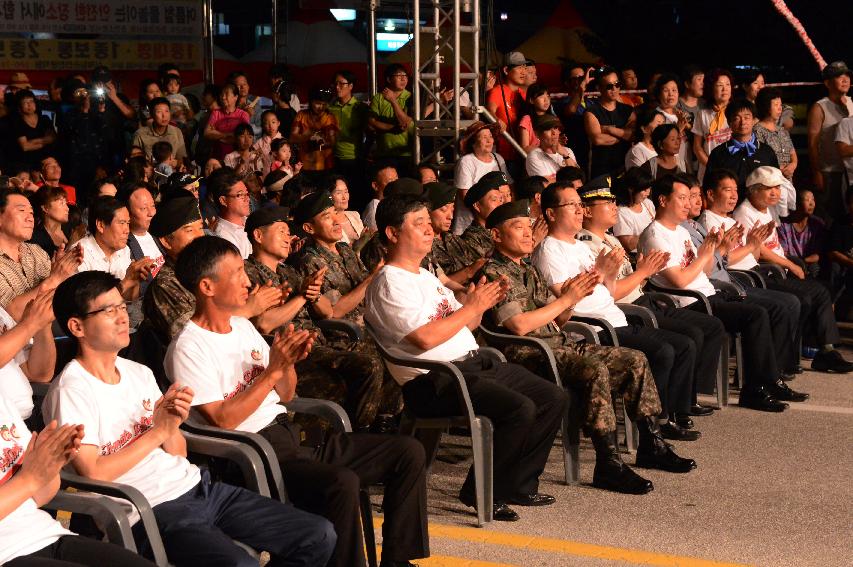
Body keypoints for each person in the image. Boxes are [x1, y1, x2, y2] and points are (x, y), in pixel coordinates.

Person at [163, 234, 427, 567]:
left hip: (292, 436)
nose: (247, 282)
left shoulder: (242, 327)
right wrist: (272, 372)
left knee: (407, 452)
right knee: (340, 483)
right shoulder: (189, 346)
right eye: (236, 275)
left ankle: (398, 560)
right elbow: (222, 420)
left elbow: (286, 395)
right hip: (252, 453)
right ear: (207, 287)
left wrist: (286, 365)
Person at [43, 270, 337, 567]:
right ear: (77, 326)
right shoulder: (71, 390)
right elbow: (93, 473)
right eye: (109, 310)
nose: (122, 317)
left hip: (199, 488)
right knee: (240, 564)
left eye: (122, 307)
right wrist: (157, 433)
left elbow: (179, 452)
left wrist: (170, 424)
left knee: (318, 534)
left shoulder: (139, 373)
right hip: (149, 511)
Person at [365, 194, 568, 522]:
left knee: (552, 397)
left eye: (429, 224)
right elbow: (424, 337)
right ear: (392, 233)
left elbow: (467, 322)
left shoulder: (425, 276)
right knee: (520, 408)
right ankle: (482, 492)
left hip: (469, 364)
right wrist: (472, 308)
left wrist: (479, 304)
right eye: (419, 224)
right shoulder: (390, 282)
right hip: (433, 380)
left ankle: (517, 483)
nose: (429, 231)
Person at [485, 199, 695, 493]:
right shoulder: (495, 273)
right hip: (529, 353)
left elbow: (558, 317)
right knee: (594, 369)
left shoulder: (528, 269)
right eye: (517, 227)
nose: (527, 234)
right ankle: (608, 463)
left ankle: (651, 443)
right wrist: (566, 300)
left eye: (528, 227)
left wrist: (574, 295)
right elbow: (519, 326)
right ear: (496, 235)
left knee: (635, 359)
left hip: (557, 343)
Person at [532, 179, 709, 436]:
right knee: (663, 351)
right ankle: (656, 426)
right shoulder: (550, 250)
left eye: (580, 205)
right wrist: (602, 274)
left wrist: (608, 275)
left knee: (684, 344)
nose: (579, 210)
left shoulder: (580, 246)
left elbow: (609, 293)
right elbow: (565, 300)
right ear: (550, 213)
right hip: (592, 327)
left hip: (615, 319)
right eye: (572, 205)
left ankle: (670, 414)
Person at [638, 174, 802, 411]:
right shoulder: (655, 234)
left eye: (689, 198)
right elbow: (681, 280)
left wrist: (714, 248)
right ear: (663, 201)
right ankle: (756, 388)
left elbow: (704, 269)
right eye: (682, 198)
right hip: (688, 302)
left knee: (765, 309)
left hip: (709, 292)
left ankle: (766, 382)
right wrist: (706, 254)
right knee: (755, 315)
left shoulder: (681, 231)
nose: (687, 203)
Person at [239, 207, 391, 433]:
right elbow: (265, 324)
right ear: (258, 236)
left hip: (317, 342)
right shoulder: (248, 274)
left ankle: (366, 429)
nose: (287, 238)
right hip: (289, 353)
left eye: (288, 232)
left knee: (383, 353)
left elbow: (328, 311)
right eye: (281, 231)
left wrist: (314, 292)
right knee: (366, 366)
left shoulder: (288, 271)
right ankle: (359, 434)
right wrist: (301, 297)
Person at [0, 395, 157, 566]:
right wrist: (29, 479)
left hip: (46, 535)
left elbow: (39, 497)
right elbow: (28, 482)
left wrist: (50, 465)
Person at [730, 167, 853, 373]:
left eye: (777, 188)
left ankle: (825, 351)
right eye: (769, 188)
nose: (775, 193)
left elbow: (774, 245)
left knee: (822, 291)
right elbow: (758, 251)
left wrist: (789, 262)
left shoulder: (768, 210)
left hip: (779, 267)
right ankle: (792, 352)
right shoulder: (744, 213)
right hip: (764, 272)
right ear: (753, 190)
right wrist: (789, 264)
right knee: (806, 297)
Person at [696, 169, 805, 378]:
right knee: (780, 305)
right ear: (710, 194)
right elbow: (723, 261)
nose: (734, 195)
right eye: (727, 190)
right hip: (734, 279)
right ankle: (770, 372)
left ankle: (777, 368)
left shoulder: (729, 220)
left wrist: (755, 243)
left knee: (791, 302)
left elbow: (752, 255)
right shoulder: (709, 221)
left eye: (735, 190)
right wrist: (748, 246)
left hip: (750, 273)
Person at [0, 188, 81, 321]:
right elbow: (11, 315)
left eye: (31, 212)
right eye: (21, 211)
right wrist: (55, 278)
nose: (30, 218)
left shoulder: (37, 252)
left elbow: (60, 300)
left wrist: (62, 272)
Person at [75, 196, 154, 305]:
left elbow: (129, 301)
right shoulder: (80, 255)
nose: (127, 230)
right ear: (101, 225)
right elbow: (92, 307)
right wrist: (126, 281)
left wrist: (135, 281)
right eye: (121, 223)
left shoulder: (124, 250)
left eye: (128, 223)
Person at [807, 61, 853, 221]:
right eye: (839, 77)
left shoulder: (852, 103)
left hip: (850, 172)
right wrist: (816, 172)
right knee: (830, 218)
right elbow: (812, 143)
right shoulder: (820, 107)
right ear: (827, 83)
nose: (845, 79)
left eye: (847, 76)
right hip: (829, 172)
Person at [706, 99, 778, 197]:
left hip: (761, 210)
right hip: (729, 210)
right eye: (737, 118)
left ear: (754, 121)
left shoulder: (767, 152)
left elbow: (776, 184)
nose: (742, 122)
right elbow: (709, 186)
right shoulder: (718, 153)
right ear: (729, 122)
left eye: (747, 117)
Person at [452, 121, 513, 235]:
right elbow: (466, 197)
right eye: (484, 137)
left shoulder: (498, 158)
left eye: (490, 136)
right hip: (468, 228)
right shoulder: (466, 162)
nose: (489, 141)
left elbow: (508, 187)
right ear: (473, 142)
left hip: (495, 226)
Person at [424, 181, 484, 285]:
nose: (450, 216)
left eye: (452, 210)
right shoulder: (423, 246)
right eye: (443, 210)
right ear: (427, 211)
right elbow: (435, 286)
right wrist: (468, 272)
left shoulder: (452, 238)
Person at [583, 66, 636, 178]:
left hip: (624, 167)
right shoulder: (591, 112)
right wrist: (623, 135)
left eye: (617, 84)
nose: (614, 89)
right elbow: (598, 139)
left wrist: (608, 129)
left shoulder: (627, 110)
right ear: (599, 88)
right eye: (609, 86)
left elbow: (634, 135)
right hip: (601, 170)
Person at [330, 70, 370, 210]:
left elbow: (370, 132)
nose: (337, 87)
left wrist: (364, 153)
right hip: (334, 158)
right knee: (337, 195)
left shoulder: (360, 107)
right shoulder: (330, 107)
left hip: (354, 158)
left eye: (341, 84)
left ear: (351, 86)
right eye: (335, 84)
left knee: (355, 196)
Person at [485, 52, 529, 166]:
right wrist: (497, 119)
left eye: (524, 67)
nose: (523, 72)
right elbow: (490, 111)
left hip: (523, 152)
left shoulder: (523, 94)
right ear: (506, 70)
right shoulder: (497, 91)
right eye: (519, 68)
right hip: (504, 156)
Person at [369, 65, 414, 171]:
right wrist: (393, 128)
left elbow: (406, 121)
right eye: (399, 76)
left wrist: (393, 101)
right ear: (389, 79)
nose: (403, 79)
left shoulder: (411, 97)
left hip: (406, 153)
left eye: (405, 75)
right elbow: (371, 122)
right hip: (384, 152)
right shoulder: (378, 98)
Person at [692, 68, 733, 182]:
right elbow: (697, 147)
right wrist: (711, 166)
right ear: (711, 89)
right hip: (709, 170)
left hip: (733, 169)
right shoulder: (702, 114)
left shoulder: (737, 112)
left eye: (728, 84)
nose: (724, 89)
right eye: (720, 85)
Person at [459, 171, 508, 261]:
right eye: (494, 199)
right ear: (477, 206)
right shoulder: (471, 239)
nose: (500, 203)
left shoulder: (503, 230)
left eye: (500, 199)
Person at [777, 190, 826, 278]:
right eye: (807, 200)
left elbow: (819, 253)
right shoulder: (784, 225)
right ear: (797, 204)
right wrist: (796, 264)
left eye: (813, 200)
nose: (811, 203)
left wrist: (804, 261)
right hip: (790, 264)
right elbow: (783, 253)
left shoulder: (817, 224)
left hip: (810, 263)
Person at [291, 89, 338, 173]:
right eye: (318, 103)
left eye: (324, 104)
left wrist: (322, 141)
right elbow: (292, 137)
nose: (321, 107)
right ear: (311, 102)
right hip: (304, 164)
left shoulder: (329, 117)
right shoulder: (301, 115)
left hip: (325, 164)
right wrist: (306, 137)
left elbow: (333, 141)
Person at [208, 168, 252, 259]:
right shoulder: (223, 236)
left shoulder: (251, 221)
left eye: (247, 194)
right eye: (240, 195)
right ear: (223, 200)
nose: (247, 199)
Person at [130, 98, 187, 166]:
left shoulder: (176, 131)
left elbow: (182, 157)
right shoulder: (140, 134)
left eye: (167, 111)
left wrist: (177, 163)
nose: (164, 116)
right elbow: (135, 162)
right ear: (151, 114)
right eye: (159, 112)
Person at [654, 73, 693, 171]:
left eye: (674, 90)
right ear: (659, 94)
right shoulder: (656, 117)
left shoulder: (681, 114)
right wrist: (679, 127)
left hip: (686, 165)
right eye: (666, 90)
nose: (671, 94)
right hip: (669, 167)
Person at [613, 167, 657, 252]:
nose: (648, 193)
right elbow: (628, 245)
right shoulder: (622, 212)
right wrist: (653, 230)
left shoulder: (647, 203)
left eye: (649, 188)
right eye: (644, 190)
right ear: (631, 189)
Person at [10, 90, 56, 170]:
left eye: (31, 101)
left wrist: (31, 142)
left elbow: (52, 139)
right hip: (27, 163)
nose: (29, 105)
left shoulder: (45, 119)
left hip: (47, 160)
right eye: (25, 102)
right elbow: (25, 146)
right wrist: (44, 140)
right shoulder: (17, 123)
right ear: (19, 106)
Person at [525, 115, 578, 183]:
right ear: (537, 134)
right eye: (548, 129)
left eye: (556, 128)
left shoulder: (567, 151)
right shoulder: (534, 156)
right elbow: (547, 185)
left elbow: (578, 179)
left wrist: (566, 156)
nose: (554, 133)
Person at [205, 83, 251, 161]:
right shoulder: (216, 113)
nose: (223, 97)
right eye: (221, 95)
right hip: (219, 153)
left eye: (226, 94)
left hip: (237, 154)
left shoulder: (243, 115)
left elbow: (243, 136)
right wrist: (227, 134)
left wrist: (217, 133)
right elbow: (207, 133)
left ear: (235, 97)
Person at [677, 64, 705, 173]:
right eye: (699, 79)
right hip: (683, 159)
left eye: (704, 79)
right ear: (687, 84)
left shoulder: (705, 105)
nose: (703, 83)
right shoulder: (677, 105)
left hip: (702, 158)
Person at [28, 185, 69, 258]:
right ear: (45, 208)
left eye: (66, 203)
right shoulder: (36, 238)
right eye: (61, 203)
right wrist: (73, 242)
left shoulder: (70, 230)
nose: (67, 208)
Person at [326, 175, 367, 248]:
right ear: (329, 196)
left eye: (346, 191)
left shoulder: (355, 215)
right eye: (339, 193)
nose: (344, 197)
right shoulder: (328, 223)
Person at [362, 163, 399, 231]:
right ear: (375, 186)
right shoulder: (374, 210)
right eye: (390, 182)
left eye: (396, 180)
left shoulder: (396, 202)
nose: (396, 185)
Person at [517, 83, 552, 153]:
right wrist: (545, 146)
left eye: (548, 96)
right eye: (541, 96)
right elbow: (524, 149)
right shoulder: (527, 119)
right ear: (531, 100)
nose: (546, 100)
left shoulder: (552, 119)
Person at [252, 110, 283, 177]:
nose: (270, 126)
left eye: (273, 122)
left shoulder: (284, 141)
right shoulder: (258, 143)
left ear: (278, 123)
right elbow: (254, 162)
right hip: (265, 176)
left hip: (281, 175)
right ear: (262, 126)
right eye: (266, 123)